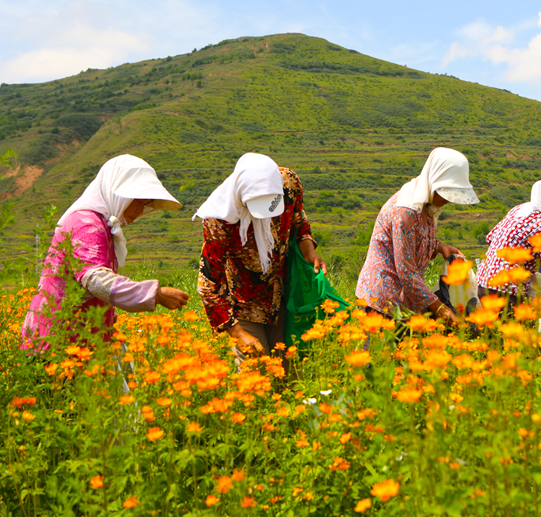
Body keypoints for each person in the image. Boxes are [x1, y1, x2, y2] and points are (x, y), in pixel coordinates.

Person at [21, 155, 189, 352]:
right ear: (118, 193)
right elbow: (95, 279)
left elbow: (92, 293)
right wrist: (156, 294)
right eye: (139, 201)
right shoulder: (86, 224)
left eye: (147, 203)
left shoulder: (102, 226)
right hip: (57, 344)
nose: (141, 209)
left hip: (78, 342)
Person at [196, 153, 325, 365]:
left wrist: (308, 248)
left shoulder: (288, 184)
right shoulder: (220, 219)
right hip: (244, 306)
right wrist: (237, 333)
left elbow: (298, 218)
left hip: (284, 296)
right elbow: (208, 286)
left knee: (289, 371)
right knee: (256, 375)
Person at [356, 147, 479, 326]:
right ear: (433, 180)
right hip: (381, 301)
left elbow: (414, 240)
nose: (449, 199)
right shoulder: (406, 211)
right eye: (446, 192)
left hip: (403, 302)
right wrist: (439, 308)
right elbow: (406, 273)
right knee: (379, 353)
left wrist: (438, 246)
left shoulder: (426, 204)